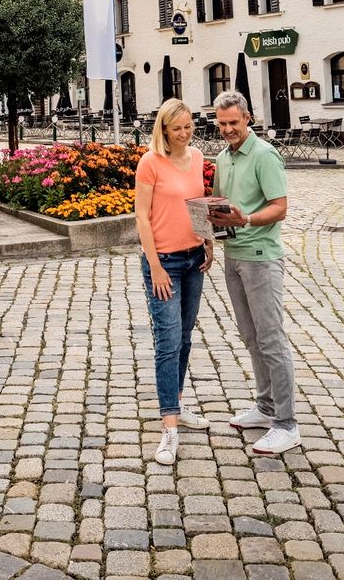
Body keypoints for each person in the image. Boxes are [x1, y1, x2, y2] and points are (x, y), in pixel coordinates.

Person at [207, 91, 298, 455]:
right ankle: (265, 407)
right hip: (234, 257)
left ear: (248, 118)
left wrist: (245, 219)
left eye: (234, 122)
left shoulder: (264, 154)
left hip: (261, 258)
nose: (228, 129)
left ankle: (287, 424)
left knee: (272, 340)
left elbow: (280, 208)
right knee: (251, 337)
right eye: (222, 123)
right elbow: (218, 205)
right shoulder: (223, 157)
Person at [134, 97, 213, 466]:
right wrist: (155, 266)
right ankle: (168, 427)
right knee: (167, 342)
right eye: (177, 128)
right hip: (164, 261)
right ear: (164, 130)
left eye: (188, 126)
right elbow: (142, 218)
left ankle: (178, 405)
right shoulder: (150, 162)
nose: (184, 133)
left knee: (184, 337)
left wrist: (209, 242)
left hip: (194, 257)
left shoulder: (196, 157)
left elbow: (199, 205)